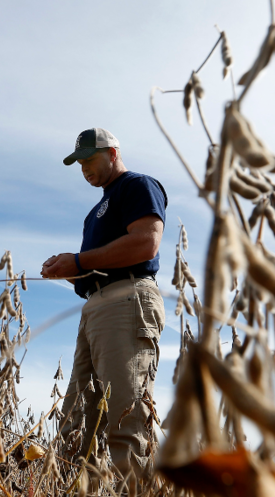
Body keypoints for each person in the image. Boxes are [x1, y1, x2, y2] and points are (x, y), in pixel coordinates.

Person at [40, 127, 167, 476]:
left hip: (127, 302)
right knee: (77, 424)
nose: (84, 168)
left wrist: (79, 261)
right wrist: (68, 271)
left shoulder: (138, 185)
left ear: (112, 153)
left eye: (89, 159)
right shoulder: (94, 213)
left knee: (127, 419)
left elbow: (145, 244)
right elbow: (96, 269)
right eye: (78, 162)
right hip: (95, 308)